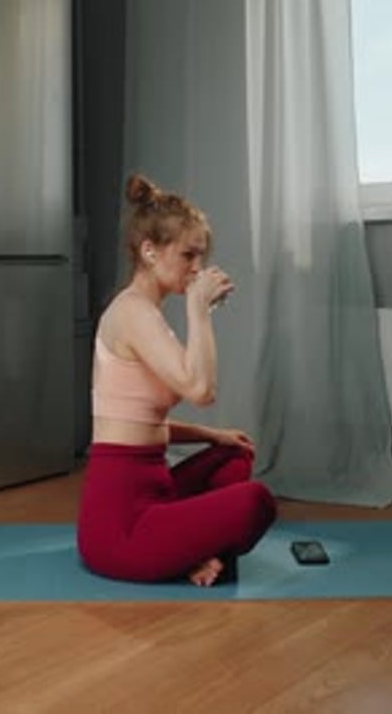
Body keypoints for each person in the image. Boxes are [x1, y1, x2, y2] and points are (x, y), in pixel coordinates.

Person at [77, 173, 276, 587]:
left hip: (156, 490)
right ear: (149, 252)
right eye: (188, 255)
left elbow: (142, 422)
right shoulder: (132, 312)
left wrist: (213, 435)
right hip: (121, 526)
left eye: (201, 256)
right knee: (256, 502)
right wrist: (200, 311)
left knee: (234, 454)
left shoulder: (148, 315)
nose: (197, 268)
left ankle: (191, 551)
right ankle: (193, 553)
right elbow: (201, 389)